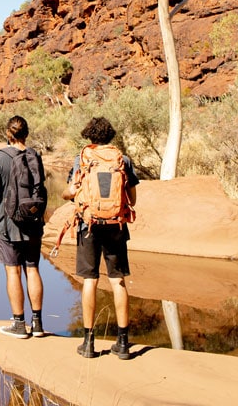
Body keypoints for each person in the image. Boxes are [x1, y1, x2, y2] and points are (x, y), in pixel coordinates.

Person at [62, 116, 139, 360]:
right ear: (110, 135)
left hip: (89, 225)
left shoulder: (82, 159)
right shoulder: (122, 159)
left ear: (89, 136)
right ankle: (123, 344)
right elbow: (132, 199)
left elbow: (70, 192)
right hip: (116, 225)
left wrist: (70, 195)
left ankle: (88, 343)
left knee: (89, 281)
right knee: (118, 281)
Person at [0, 115, 45, 339]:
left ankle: (18, 324)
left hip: (8, 224)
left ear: (9, 133)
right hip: (33, 223)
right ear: (26, 133)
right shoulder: (35, 156)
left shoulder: (0, 157)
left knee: (13, 270)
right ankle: (37, 324)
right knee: (33, 268)